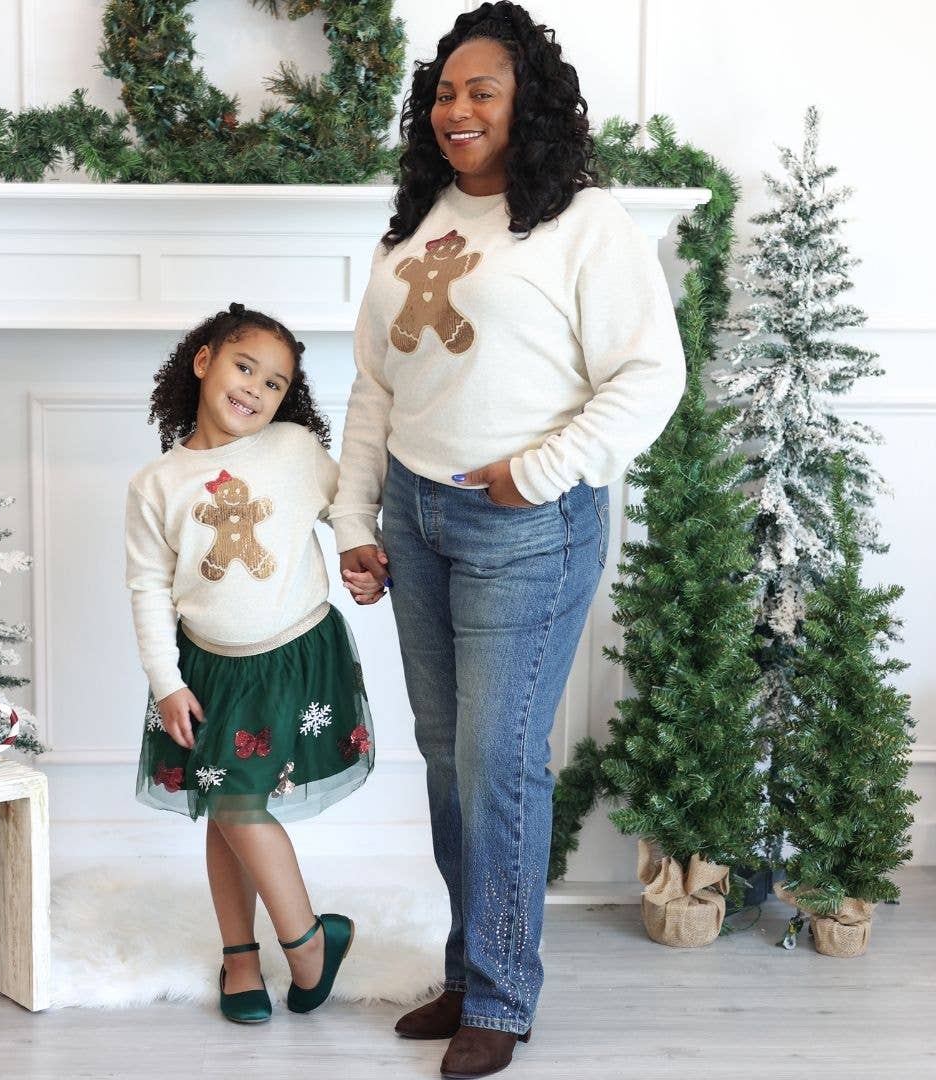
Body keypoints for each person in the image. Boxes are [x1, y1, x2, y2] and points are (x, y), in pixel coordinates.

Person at [332, 3, 685, 1076]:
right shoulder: (414, 226)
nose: (459, 108)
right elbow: (375, 386)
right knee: (449, 765)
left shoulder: (584, 223)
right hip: (417, 517)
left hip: (527, 528)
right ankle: (471, 967)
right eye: (445, 92)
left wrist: (537, 471)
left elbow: (650, 375)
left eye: (482, 90)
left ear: (526, 102)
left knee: (497, 764)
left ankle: (501, 994)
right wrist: (354, 517)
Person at [126, 302, 379, 1024]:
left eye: (274, 383)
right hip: (207, 670)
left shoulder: (293, 449)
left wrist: (359, 554)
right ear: (204, 361)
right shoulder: (157, 484)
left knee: (235, 805)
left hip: (295, 658)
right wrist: (166, 681)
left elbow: (346, 504)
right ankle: (255, 954)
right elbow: (147, 588)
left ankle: (296, 946)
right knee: (227, 805)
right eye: (245, 368)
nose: (256, 390)